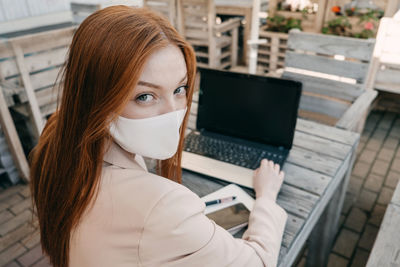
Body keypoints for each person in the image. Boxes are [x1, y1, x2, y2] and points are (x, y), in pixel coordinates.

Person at [29, 5, 287, 267]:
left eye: (180, 89)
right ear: (98, 98)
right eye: (144, 96)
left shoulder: (58, 134)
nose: (173, 114)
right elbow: (259, 262)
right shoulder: (162, 205)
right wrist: (266, 197)